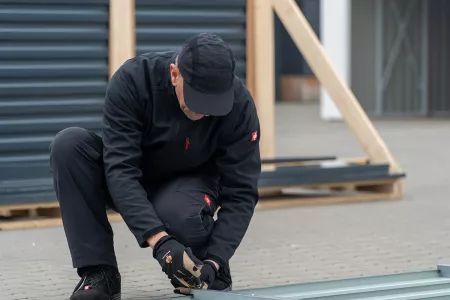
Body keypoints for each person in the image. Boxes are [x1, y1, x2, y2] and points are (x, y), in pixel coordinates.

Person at [48, 32, 262, 300]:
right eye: (197, 101)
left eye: (213, 104)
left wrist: (216, 260)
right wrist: (161, 242)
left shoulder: (240, 106)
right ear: (175, 74)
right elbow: (120, 168)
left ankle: (206, 271)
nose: (205, 112)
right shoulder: (134, 81)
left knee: (182, 216)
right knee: (69, 145)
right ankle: (100, 274)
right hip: (133, 178)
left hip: (188, 188)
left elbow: (241, 191)